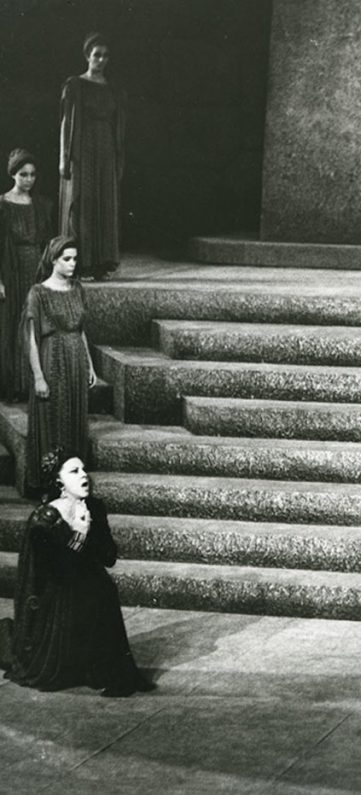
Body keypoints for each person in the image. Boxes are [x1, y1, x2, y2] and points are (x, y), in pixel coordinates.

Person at [1, 449, 153, 696]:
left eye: (84, 469)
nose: (84, 475)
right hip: (58, 596)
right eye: (74, 471)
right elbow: (59, 573)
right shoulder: (44, 519)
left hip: (88, 586)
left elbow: (109, 558)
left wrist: (94, 527)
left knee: (102, 588)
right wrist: (79, 534)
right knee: (92, 591)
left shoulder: (95, 507)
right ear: (59, 481)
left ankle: (98, 664)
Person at [22, 236, 97, 496]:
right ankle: (49, 485)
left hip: (76, 360)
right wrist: (38, 376)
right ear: (53, 260)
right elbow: (31, 338)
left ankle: (72, 486)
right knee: (51, 418)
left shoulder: (78, 289)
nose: (72, 264)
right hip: (52, 359)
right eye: (67, 259)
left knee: (74, 417)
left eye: (75, 259)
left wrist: (90, 365)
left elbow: (81, 331)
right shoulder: (38, 292)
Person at [59, 32, 125, 281]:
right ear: (87, 56)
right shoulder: (75, 85)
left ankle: (101, 264)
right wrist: (64, 157)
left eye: (106, 56)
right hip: (82, 147)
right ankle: (80, 263)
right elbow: (66, 122)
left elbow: (118, 123)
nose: (101, 60)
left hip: (105, 147)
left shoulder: (113, 89)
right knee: (83, 201)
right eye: (97, 55)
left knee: (105, 201)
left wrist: (118, 157)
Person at [1, 149, 53, 401]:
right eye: (23, 174)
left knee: (34, 323)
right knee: (14, 324)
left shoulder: (41, 205)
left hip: (37, 269)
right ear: (13, 174)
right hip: (12, 269)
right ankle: (14, 385)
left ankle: (33, 382)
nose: (29, 179)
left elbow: (48, 242)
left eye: (32, 174)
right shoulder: (3, 205)